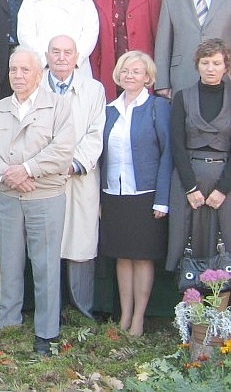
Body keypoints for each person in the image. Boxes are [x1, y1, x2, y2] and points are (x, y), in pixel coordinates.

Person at [0, 47, 74, 356]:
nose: (18, 75)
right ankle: (8, 326)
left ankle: (46, 333)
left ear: (39, 74)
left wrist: (28, 169)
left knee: (45, 266)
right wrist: (7, 173)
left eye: (25, 70)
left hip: (43, 197)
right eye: (13, 69)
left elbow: (63, 150)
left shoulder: (58, 107)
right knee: (10, 262)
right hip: (5, 197)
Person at [99, 50, 171, 337]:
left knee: (142, 256)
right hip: (114, 194)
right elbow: (100, 157)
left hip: (146, 193)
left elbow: (168, 156)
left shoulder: (158, 107)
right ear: (119, 74)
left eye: (137, 71)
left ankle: (139, 319)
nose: (130, 76)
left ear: (148, 77)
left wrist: (163, 200)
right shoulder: (109, 109)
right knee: (122, 256)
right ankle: (124, 315)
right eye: (126, 71)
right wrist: (100, 198)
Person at [41, 35, 106, 319]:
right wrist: (48, 164)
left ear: (77, 56)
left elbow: (95, 133)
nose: (61, 57)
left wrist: (71, 164)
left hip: (79, 178)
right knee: (46, 245)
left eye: (68, 52)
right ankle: (48, 313)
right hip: (43, 180)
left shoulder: (94, 90)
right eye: (55, 52)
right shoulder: (35, 85)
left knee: (80, 244)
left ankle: (82, 313)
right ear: (47, 55)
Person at [165, 39, 231, 277]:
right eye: (205, 62)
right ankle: (190, 312)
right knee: (188, 249)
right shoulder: (183, 97)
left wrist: (223, 189)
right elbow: (177, 145)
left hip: (225, 184)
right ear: (197, 65)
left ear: (226, 66)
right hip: (188, 182)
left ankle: (221, 313)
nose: (210, 68)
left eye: (216, 63)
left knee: (225, 251)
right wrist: (190, 187)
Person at [155, 0, 231, 99]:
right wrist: (162, 82)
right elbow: (163, 44)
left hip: (224, 74)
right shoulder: (171, 0)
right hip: (184, 75)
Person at [91, 0, 162, 102]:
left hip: (143, 70)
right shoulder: (98, 1)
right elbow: (96, 45)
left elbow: (159, 38)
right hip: (112, 70)